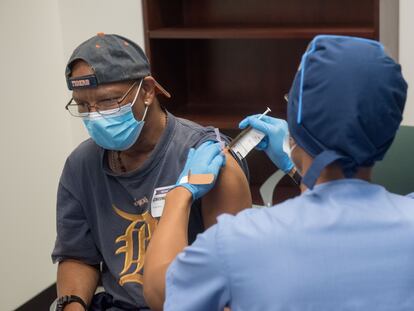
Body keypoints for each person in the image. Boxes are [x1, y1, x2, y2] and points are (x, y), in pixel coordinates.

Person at [145, 35, 414, 311]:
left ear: (297, 124)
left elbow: (159, 292)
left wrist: (181, 193)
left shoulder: (239, 242)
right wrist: (295, 163)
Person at [51, 33, 251, 311]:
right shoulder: (81, 164)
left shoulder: (205, 157)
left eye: (108, 102)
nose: (95, 116)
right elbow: (77, 255)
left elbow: (234, 274)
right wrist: (71, 305)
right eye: (83, 106)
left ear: (147, 91)